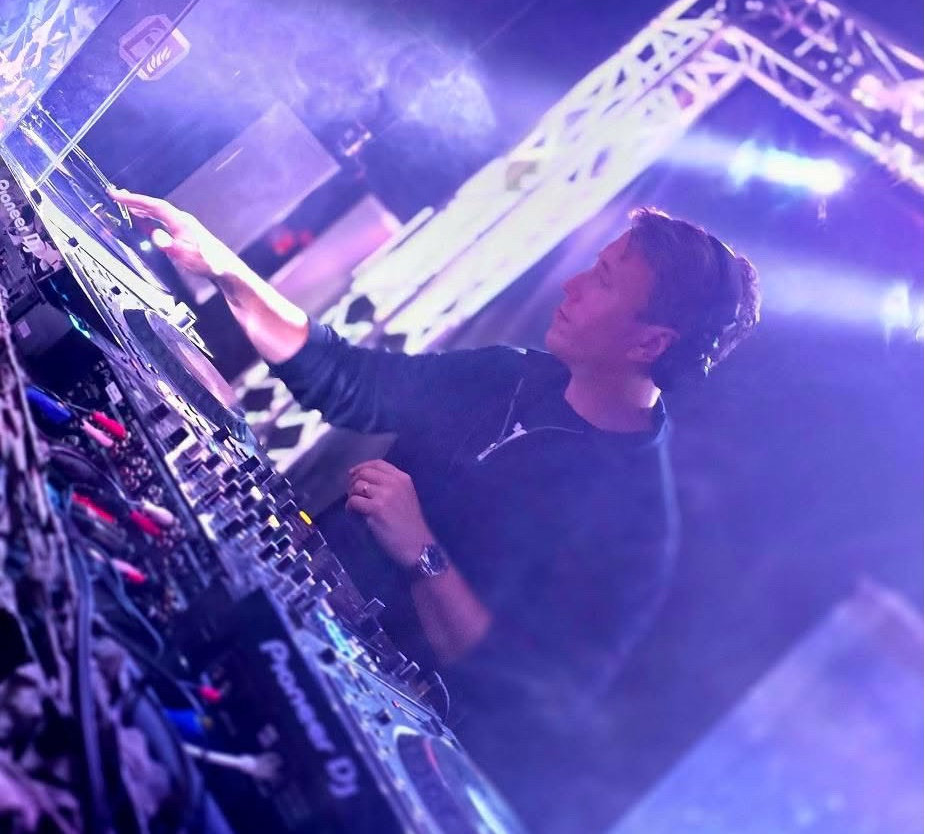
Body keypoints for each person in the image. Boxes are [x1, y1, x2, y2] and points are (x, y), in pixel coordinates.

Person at [109, 188, 760, 830]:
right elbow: (350, 379)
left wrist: (424, 554)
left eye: (604, 280)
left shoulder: (636, 524)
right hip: (263, 606)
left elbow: (519, 692)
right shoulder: (509, 375)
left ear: (648, 344)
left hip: (338, 735)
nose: (572, 284)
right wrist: (223, 266)